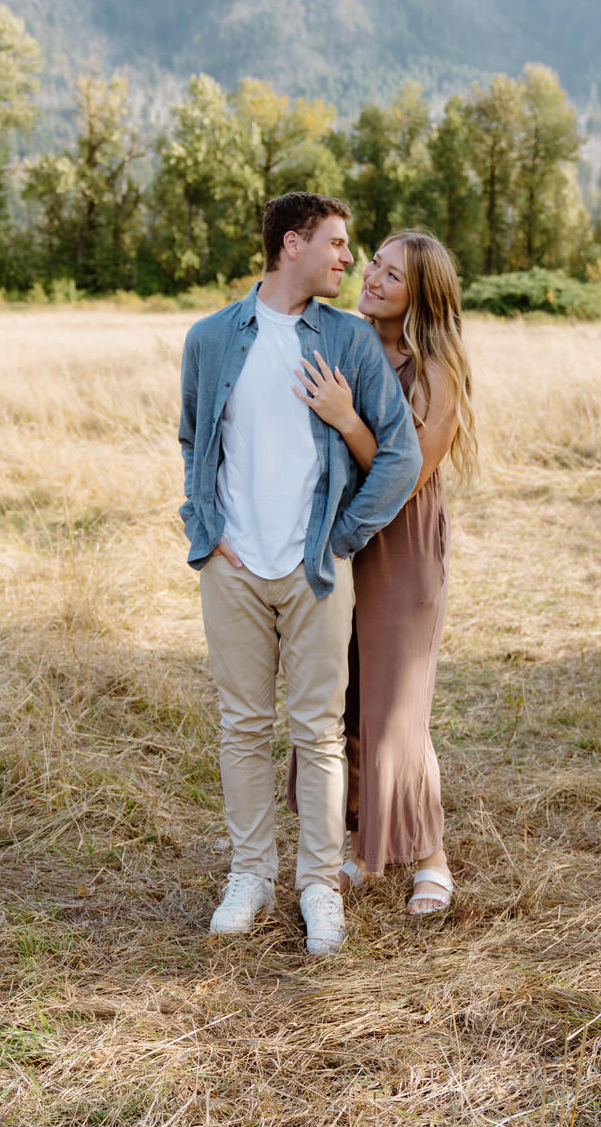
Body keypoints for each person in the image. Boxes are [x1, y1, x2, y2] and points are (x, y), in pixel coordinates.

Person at [178, 193, 422, 955]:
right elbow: (193, 438)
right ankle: (249, 874)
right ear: (294, 245)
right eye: (339, 244)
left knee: (317, 734)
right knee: (243, 727)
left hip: (314, 570)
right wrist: (206, 531)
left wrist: (342, 537)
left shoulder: (347, 341)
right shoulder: (213, 337)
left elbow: (401, 454)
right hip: (234, 569)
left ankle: (318, 886)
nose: (349, 260)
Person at [291, 230, 477, 914]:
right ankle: (363, 852)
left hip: (402, 547)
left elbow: (407, 475)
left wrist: (345, 420)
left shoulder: (436, 371)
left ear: (420, 296)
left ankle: (431, 856)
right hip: (344, 538)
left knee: (398, 709)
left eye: (391, 275)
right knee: (348, 703)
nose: (371, 277)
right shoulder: (345, 341)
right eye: (374, 263)